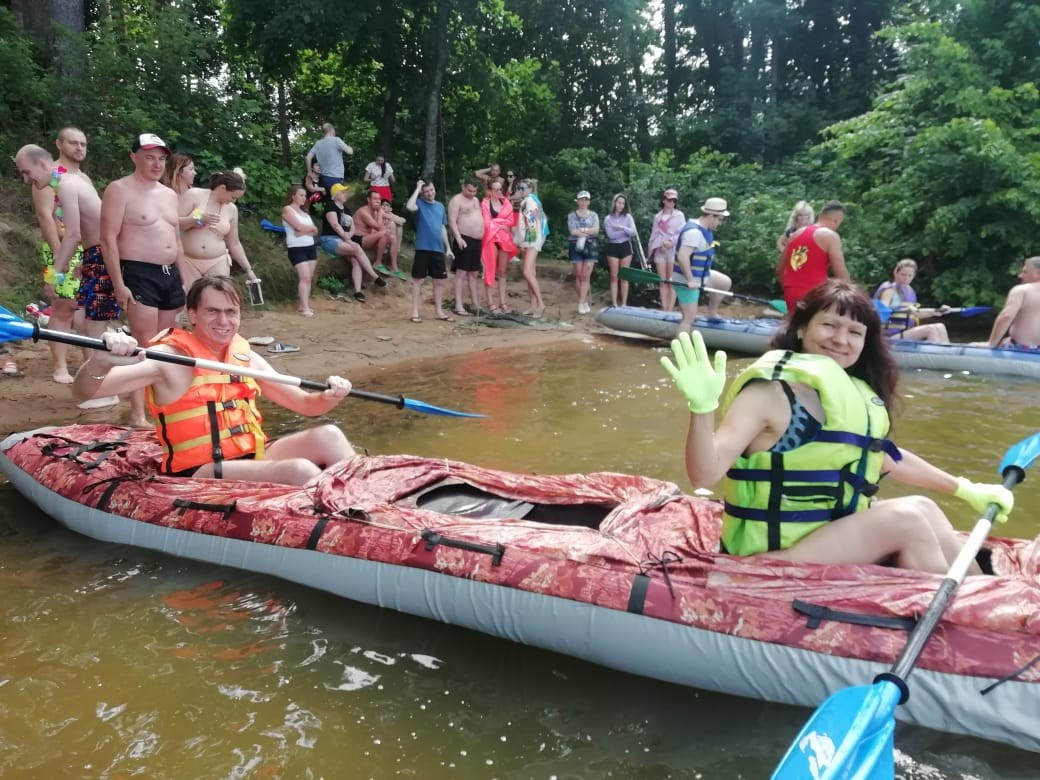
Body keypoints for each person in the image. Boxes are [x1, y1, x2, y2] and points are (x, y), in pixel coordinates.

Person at [659, 279, 1013, 574]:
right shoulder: (770, 392)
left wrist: (966, 489)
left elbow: (886, 458)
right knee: (907, 520)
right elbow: (704, 475)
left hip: (825, 536)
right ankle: (958, 628)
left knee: (924, 507)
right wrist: (702, 407)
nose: (841, 340)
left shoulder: (854, 395)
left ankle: (982, 598)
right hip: (770, 554)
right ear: (801, 328)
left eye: (854, 332)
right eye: (829, 325)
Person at [72, 276, 356, 486]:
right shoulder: (168, 359)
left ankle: (370, 498)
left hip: (251, 456)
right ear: (193, 314)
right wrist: (100, 360)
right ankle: (344, 519)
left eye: (231, 312)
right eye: (213, 311)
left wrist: (329, 397)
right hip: (200, 469)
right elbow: (85, 392)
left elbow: (306, 404)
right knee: (300, 471)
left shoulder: (246, 359)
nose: (224, 320)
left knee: (329, 435)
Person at [15, 143, 122, 391]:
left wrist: (54, 275)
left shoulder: (65, 184)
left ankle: (104, 389)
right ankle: (100, 384)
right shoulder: (69, 182)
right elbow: (91, 227)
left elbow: (73, 235)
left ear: (43, 164)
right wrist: (84, 260)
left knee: (94, 325)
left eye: (26, 172)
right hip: (94, 255)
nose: (25, 179)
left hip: (100, 256)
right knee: (85, 321)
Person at [100, 133, 185, 427]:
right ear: (134, 156)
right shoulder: (119, 189)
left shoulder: (170, 194)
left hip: (169, 274)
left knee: (166, 346)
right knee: (143, 344)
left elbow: (176, 239)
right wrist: (118, 284)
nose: (156, 163)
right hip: (138, 272)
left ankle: (162, 405)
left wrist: (184, 279)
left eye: (161, 158)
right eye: (149, 157)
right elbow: (108, 239)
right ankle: (138, 414)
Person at [26, 127, 91, 382]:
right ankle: (60, 366)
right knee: (63, 308)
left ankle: (89, 364)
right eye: (73, 143)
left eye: (83, 144)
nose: (79, 148)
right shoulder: (50, 174)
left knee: (86, 308)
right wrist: (57, 257)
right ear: (59, 144)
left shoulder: (83, 178)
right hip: (59, 248)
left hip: (84, 249)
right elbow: (45, 215)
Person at [178, 171, 259, 290]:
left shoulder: (232, 209)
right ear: (222, 188)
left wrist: (248, 269)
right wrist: (196, 219)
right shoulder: (194, 195)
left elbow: (234, 242)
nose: (233, 201)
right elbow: (175, 223)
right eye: (233, 197)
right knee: (189, 299)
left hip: (217, 260)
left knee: (217, 296)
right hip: (189, 260)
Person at [777, 200, 850, 314]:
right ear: (837, 220)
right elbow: (841, 276)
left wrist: (789, 289)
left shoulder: (796, 234)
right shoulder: (830, 236)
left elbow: (780, 269)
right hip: (815, 296)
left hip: (791, 292)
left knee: (794, 328)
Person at [673, 196, 733, 335]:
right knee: (689, 317)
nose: (720, 223)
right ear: (711, 216)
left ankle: (711, 313)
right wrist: (689, 280)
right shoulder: (693, 232)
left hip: (700, 276)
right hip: (684, 279)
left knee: (723, 282)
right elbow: (682, 257)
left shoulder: (704, 229)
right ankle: (679, 349)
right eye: (719, 219)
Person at [319, 183, 386, 302]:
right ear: (336, 194)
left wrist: (348, 235)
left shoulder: (347, 209)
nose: (346, 194)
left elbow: (352, 227)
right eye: (343, 192)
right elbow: (335, 225)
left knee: (356, 260)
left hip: (344, 240)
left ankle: (358, 292)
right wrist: (347, 237)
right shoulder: (330, 206)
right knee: (355, 247)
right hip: (330, 239)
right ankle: (374, 276)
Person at [405, 179, 455, 322]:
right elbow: (409, 206)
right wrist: (418, 187)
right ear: (422, 193)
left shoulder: (440, 206)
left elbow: (442, 228)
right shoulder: (419, 204)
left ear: (435, 189)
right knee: (418, 280)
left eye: (431, 190)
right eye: (426, 191)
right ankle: (415, 312)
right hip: (423, 248)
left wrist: (448, 248)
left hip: (438, 249)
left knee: (439, 281)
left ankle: (438, 311)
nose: (429, 193)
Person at [873, 259, 950, 343]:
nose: (906, 278)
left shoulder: (910, 291)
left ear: (913, 276)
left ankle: (948, 353)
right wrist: (904, 309)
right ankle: (935, 355)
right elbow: (881, 311)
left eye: (910, 275)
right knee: (930, 330)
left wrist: (936, 311)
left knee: (940, 326)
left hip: (905, 333)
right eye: (903, 274)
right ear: (895, 273)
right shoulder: (889, 290)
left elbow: (916, 314)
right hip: (889, 337)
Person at [979, 256, 1040, 349]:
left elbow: (1006, 316)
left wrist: (991, 344)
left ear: (1038, 273)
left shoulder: (1021, 290)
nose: (1020, 276)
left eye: (1025, 272)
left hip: (1021, 349)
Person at [480, 177, 519, 313]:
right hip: (490, 239)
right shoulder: (485, 203)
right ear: (490, 191)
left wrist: (496, 223)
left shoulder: (506, 203)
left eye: (499, 189)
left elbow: (509, 223)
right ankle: (490, 302)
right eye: (495, 189)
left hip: (504, 240)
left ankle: (503, 302)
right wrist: (500, 224)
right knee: (489, 270)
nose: (498, 191)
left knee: (502, 272)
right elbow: (486, 223)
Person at [448, 177, 485, 316]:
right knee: (461, 272)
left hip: (476, 240)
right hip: (464, 238)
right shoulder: (456, 200)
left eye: (475, 191)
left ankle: (475, 304)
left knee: (474, 272)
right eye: (469, 190)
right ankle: (458, 304)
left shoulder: (476, 200)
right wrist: (458, 237)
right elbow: (452, 220)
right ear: (463, 187)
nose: (472, 193)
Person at [281, 185, 320, 316]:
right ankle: (305, 308)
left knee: (309, 278)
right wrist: (308, 229)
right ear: (293, 196)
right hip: (296, 247)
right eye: (301, 195)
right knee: (305, 277)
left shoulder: (305, 212)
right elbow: (297, 227)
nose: (304, 198)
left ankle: (303, 304)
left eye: (305, 195)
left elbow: (315, 230)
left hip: (310, 246)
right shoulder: (287, 209)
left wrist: (305, 230)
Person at [646, 188, 686, 312]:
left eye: (674, 200)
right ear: (664, 200)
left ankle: (670, 309)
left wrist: (671, 242)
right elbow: (654, 235)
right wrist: (658, 245)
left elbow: (682, 232)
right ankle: (664, 308)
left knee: (672, 281)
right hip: (660, 251)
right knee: (662, 281)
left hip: (673, 251)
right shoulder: (657, 217)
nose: (671, 202)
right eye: (669, 200)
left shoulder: (679, 215)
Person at [514, 179, 547, 318]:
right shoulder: (530, 199)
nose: (520, 190)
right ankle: (533, 305)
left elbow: (532, 223)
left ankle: (540, 304)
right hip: (531, 240)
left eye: (523, 188)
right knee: (530, 273)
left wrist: (526, 243)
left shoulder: (530, 201)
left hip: (532, 240)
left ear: (530, 189)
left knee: (527, 272)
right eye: (519, 188)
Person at [353, 190, 402, 276]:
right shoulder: (364, 212)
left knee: (393, 238)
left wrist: (392, 219)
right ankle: (377, 263)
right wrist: (379, 212)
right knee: (385, 233)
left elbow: (385, 223)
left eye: (379, 199)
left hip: (369, 238)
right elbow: (379, 228)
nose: (378, 201)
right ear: (368, 200)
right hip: (358, 240)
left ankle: (394, 267)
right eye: (375, 199)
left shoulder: (374, 210)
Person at [567, 190, 599, 314]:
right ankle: (583, 299)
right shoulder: (572, 215)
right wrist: (587, 232)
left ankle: (581, 302)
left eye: (586, 200)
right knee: (579, 275)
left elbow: (596, 229)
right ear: (578, 201)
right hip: (576, 245)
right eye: (581, 199)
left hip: (591, 246)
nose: (583, 202)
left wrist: (582, 231)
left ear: (589, 202)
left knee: (586, 275)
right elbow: (572, 231)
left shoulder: (594, 215)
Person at [603, 193, 637, 308]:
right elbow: (611, 235)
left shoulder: (628, 217)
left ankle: (624, 304)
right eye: (618, 203)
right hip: (613, 247)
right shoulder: (608, 218)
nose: (620, 205)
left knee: (624, 276)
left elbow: (633, 233)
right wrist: (625, 233)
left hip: (626, 247)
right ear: (614, 203)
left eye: (623, 203)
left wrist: (622, 227)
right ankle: (614, 303)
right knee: (614, 276)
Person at [305, 122, 353, 193]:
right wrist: (350, 147)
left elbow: (308, 158)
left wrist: (309, 172)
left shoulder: (318, 143)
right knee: (336, 202)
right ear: (332, 130)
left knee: (326, 200)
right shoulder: (336, 140)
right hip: (336, 178)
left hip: (322, 178)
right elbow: (350, 152)